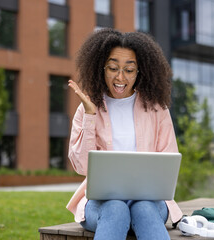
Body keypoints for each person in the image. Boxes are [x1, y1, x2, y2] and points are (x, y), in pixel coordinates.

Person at [66, 28, 183, 240]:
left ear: (141, 72)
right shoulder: (87, 109)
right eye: (113, 68)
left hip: (150, 203)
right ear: (101, 68)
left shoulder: (157, 109)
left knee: (144, 208)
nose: (120, 77)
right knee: (116, 208)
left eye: (129, 70)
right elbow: (81, 167)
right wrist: (90, 116)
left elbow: (168, 166)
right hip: (102, 205)